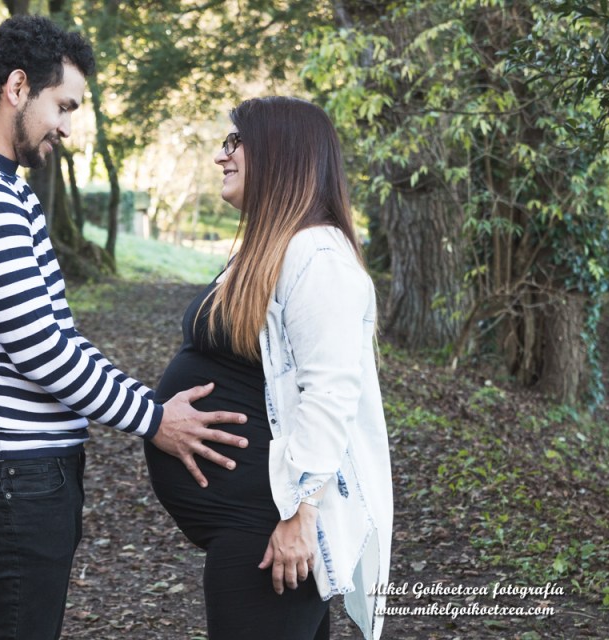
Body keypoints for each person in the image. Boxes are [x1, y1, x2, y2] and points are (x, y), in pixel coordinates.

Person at [0, 15, 248, 640]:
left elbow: (49, 332)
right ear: (17, 88)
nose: (67, 127)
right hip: (8, 472)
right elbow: (40, 348)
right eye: (62, 107)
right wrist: (154, 418)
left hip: (18, 470)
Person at [144, 97, 393, 640]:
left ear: (280, 154)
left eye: (235, 142)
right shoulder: (269, 250)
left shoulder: (317, 257)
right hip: (250, 529)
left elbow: (329, 395)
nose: (221, 156)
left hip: (271, 531)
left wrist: (299, 518)